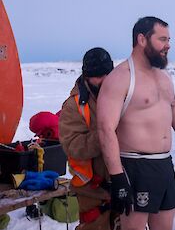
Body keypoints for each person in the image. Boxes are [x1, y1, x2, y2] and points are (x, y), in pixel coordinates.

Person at [97, 16, 175, 230]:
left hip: (164, 165)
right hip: (135, 166)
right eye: (162, 39)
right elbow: (105, 129)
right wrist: (117, 176)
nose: (168, 46)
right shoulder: (120, 78)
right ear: (142, 39)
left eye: (169, 40)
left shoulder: (163, 77)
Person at [59, 47, 119, 230]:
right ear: (86, 76)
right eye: (97, 76)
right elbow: (72, 146)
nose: (103, 81)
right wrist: (105, 135)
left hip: (123, 183)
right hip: (92, 190)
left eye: (106, 74)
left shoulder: (122, 95)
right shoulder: (73, 106)